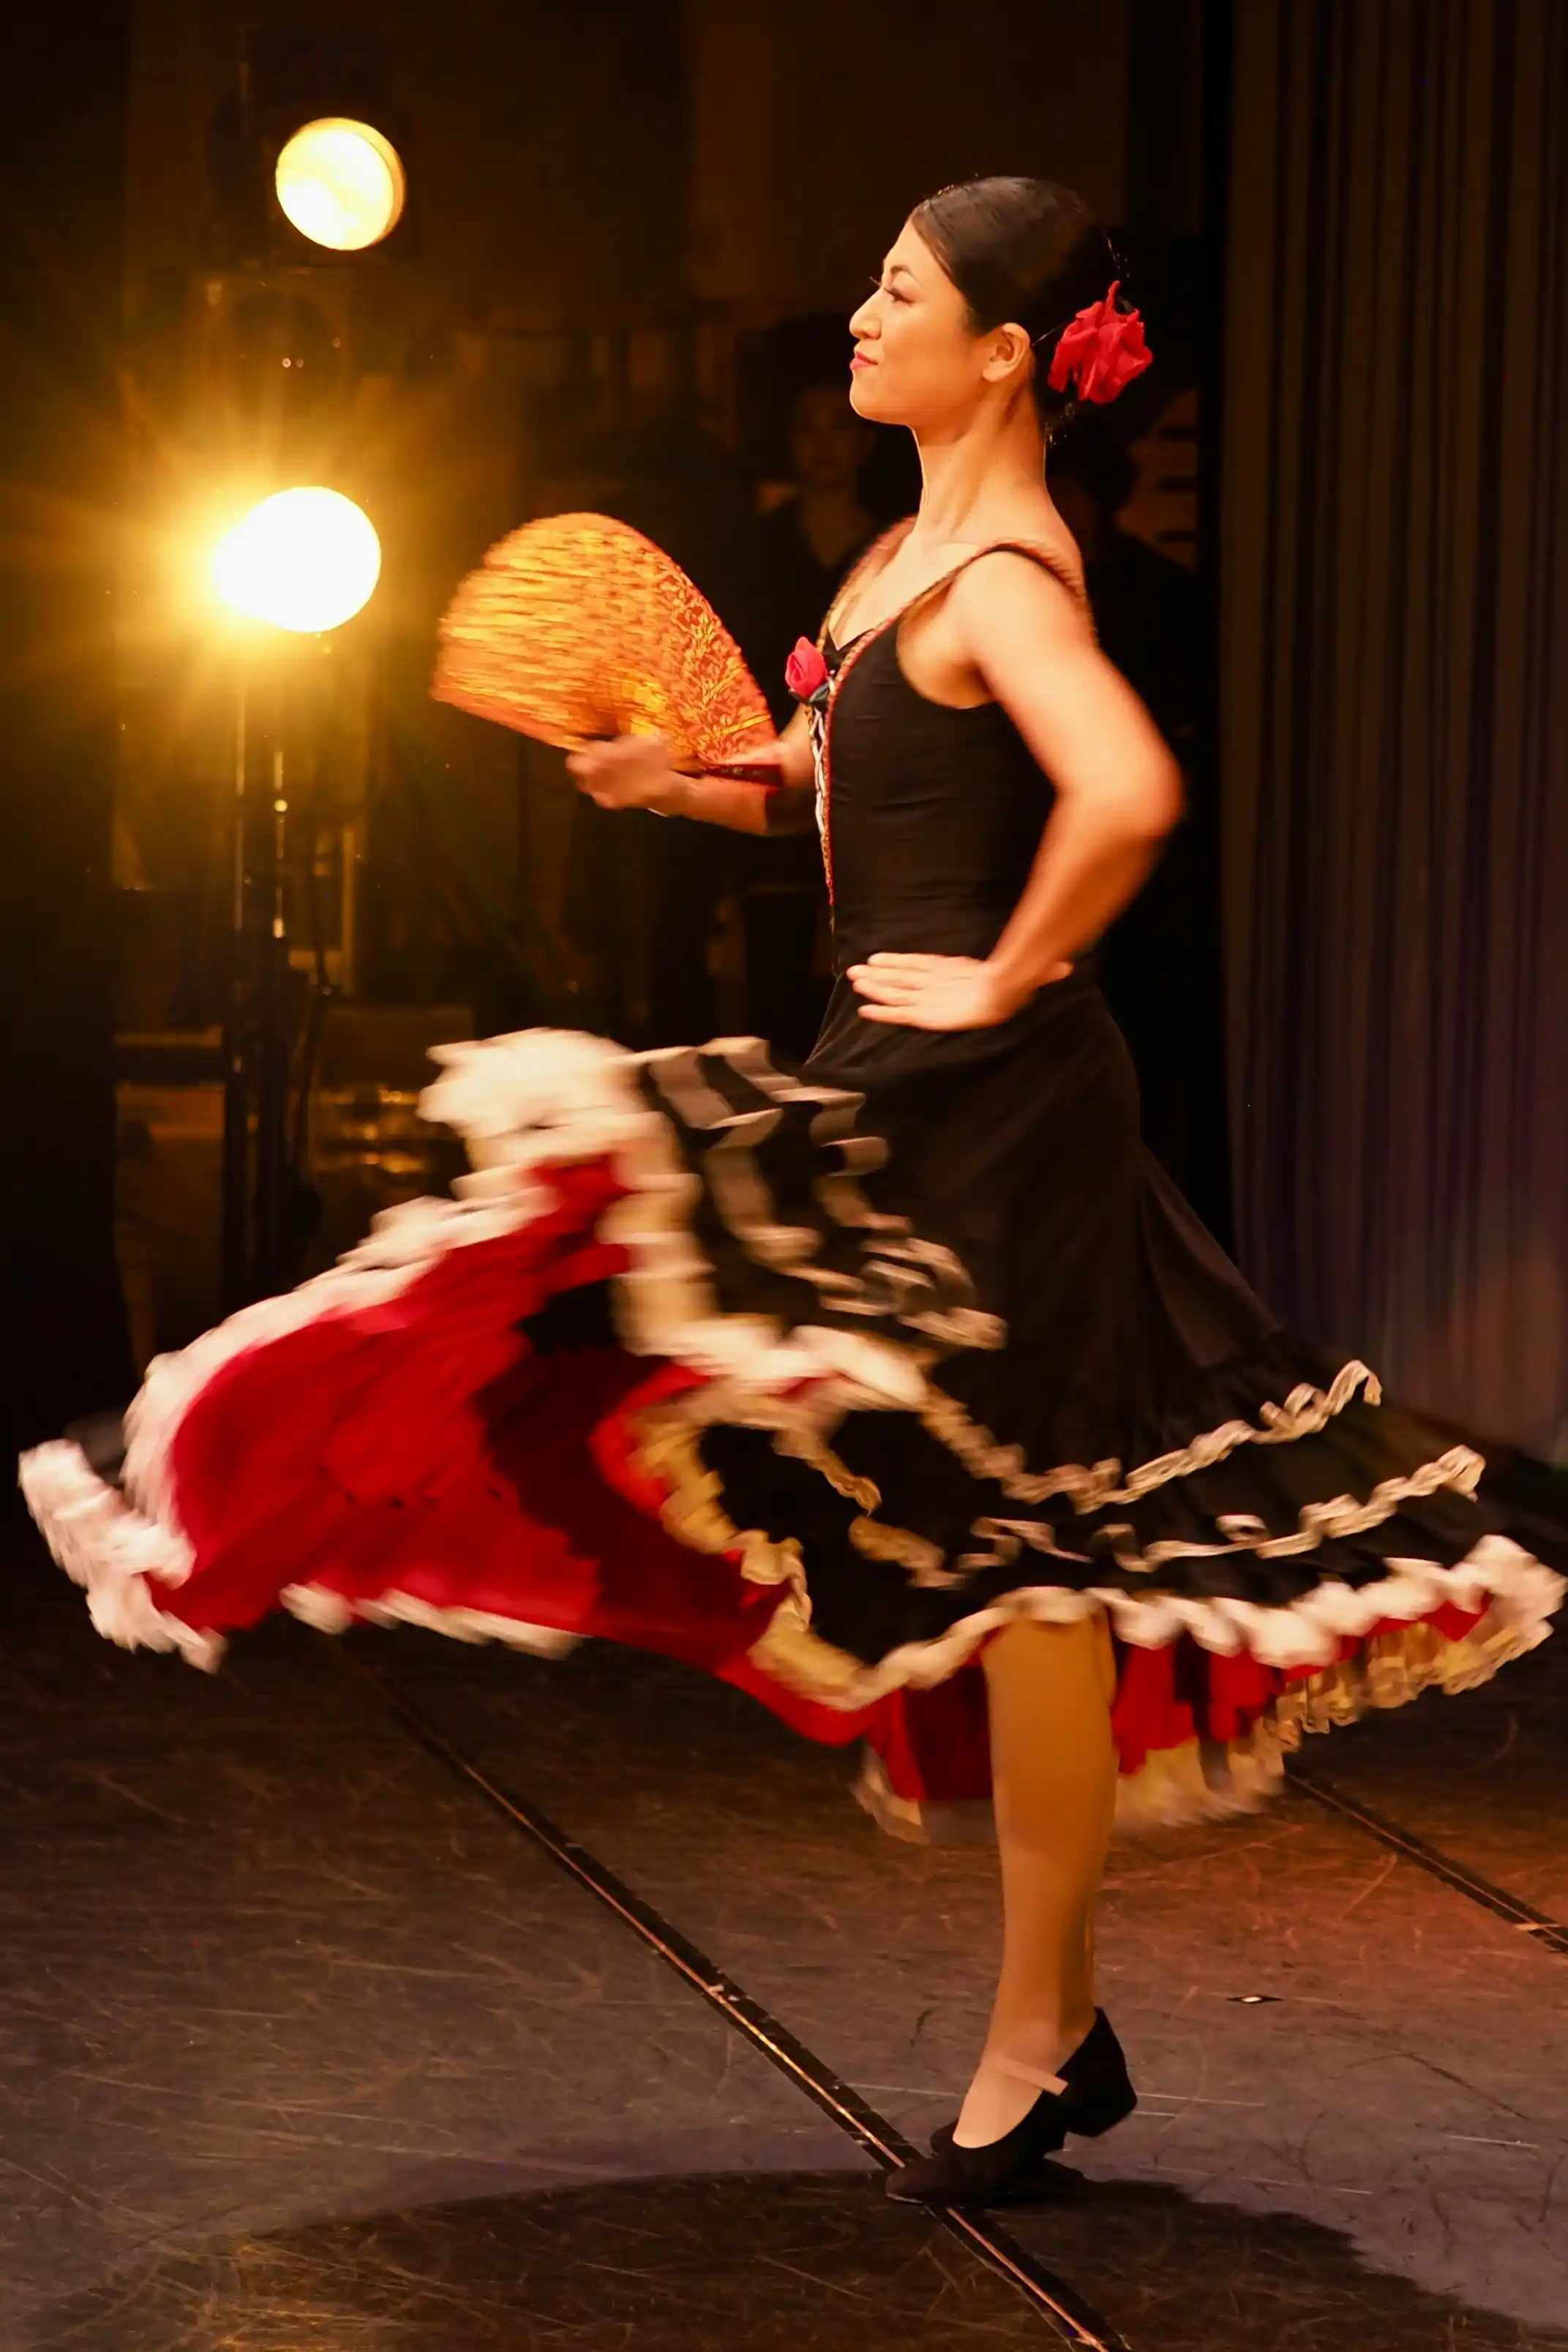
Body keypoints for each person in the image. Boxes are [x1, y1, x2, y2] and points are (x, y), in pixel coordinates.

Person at [21, 179, 1564, 2213]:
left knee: (1021, 1553)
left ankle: (1038, 2030)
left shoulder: (1003, 573)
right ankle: (1052, 2016)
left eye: (898, 291)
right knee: (947, 1526)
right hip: (899, 1071)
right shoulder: (897, 558)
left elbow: (1123, 790)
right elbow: (854, 777)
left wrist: (1007, 975)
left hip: (997, 1102)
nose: (856, 315)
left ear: (1000, 353)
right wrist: (696, 783)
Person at [724, 376, 877, 1057]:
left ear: (864, 442)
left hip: (864, 771)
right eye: (806, 427)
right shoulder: (756, 545)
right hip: (777, 767)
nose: (822, 445)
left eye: (838, 426)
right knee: (775, 978)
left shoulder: (888, 552)